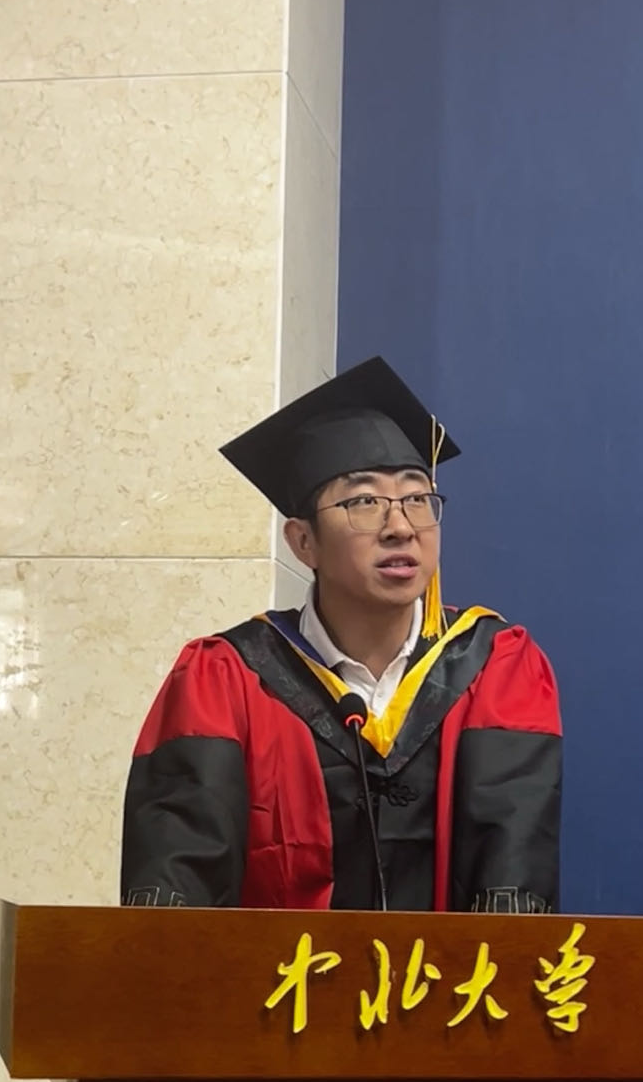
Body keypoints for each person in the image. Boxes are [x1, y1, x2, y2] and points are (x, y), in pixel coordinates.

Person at [121, 357, 561, 913]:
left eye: (417, 499)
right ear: (302, 542)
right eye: (364, 502)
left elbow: (513, 877)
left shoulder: (495, 665)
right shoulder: (225, 680)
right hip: (283, 971)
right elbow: (176, 887)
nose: (400, 527)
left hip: (450, 973)